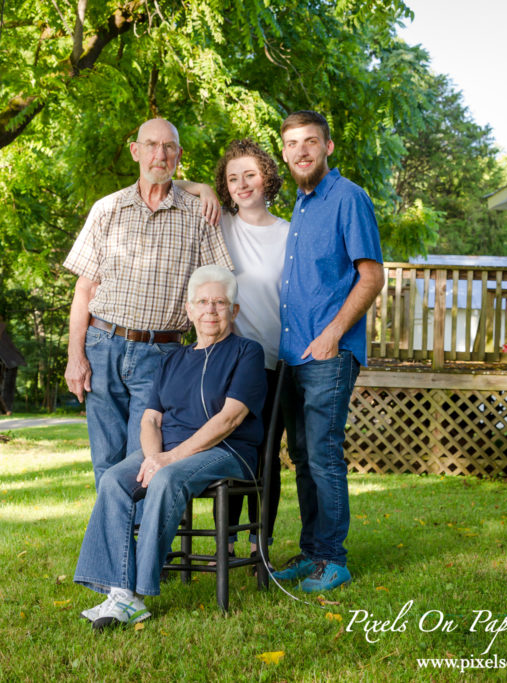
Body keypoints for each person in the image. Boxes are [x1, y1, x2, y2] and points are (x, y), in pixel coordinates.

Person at [74, 266, 267, 630]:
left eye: (220, 302)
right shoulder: (173, 358)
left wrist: (169, 459)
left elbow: (230, 419)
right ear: (189, 311)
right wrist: (151, 457)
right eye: (203, 302)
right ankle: (117, 590)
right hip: (168, 453)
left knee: (165, 479)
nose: (211, 310)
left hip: (228, 451)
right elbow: (150, 419)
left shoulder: (247, 353)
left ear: (234, 311)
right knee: (115, 479)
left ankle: (135, 596)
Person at [62, 118, 232, 486]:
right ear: (135, 151)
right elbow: (83, 291)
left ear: (179, 155)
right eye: (151, 145)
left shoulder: (198, 214)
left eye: (169, 146)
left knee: (144, 462)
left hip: (162, 355)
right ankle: (115, 544)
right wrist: (76, 356)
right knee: (105, 461)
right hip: (102, 346)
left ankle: (141, 544)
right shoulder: (107, 210)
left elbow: (218, 291)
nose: (160, 153)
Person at [270, 111, 385, 593]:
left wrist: (335, 333)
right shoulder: (300, 205)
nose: (301, 151)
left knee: (323, 453)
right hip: (293, 353)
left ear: (327, 147)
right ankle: (313, 551)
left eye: (310, 142)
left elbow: (371, 275)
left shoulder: (348, 198)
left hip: (327, 351)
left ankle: (333, 559)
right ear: (284, 152)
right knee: (302, 453)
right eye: (292, 143)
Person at [181, 140, 288, 565]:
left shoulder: (288, 233)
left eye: (250, 175)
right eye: (231, 178)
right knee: (226, 446)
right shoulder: (219, 222)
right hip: (225, 359)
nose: (242, 184)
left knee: (266, 454)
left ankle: (259, 544)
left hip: (273, 359)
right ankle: (225, 540)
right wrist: (204, 187)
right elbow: (171, 183)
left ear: (267, 178)